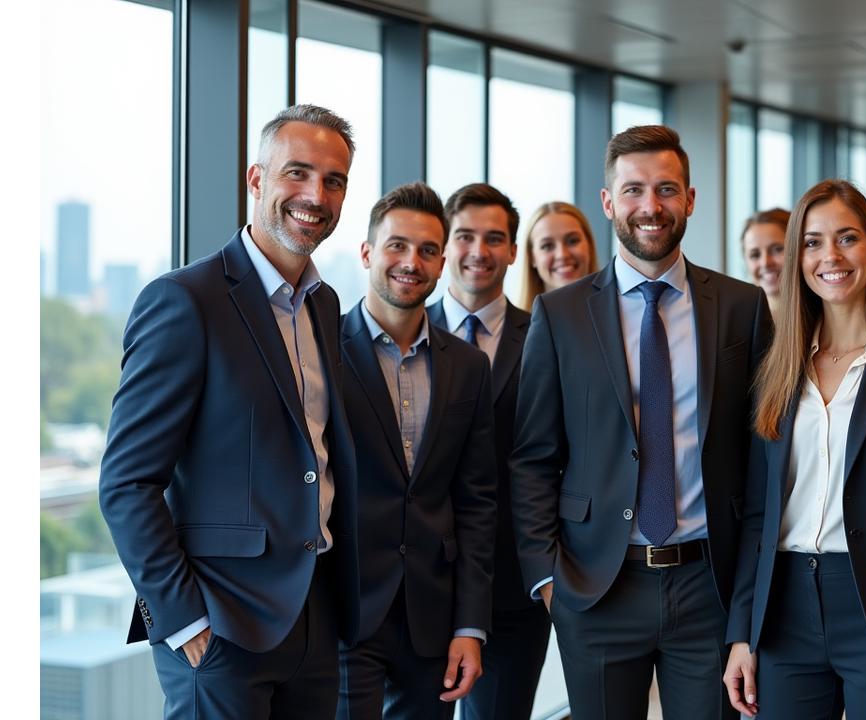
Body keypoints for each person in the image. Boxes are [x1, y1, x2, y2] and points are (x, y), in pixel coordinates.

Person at [98, 104, 361, 719]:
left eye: (334, 180)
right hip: (218, 624)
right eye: (297, 173)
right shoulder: (185, 300)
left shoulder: (324, 306)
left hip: (313, 615)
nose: (315, 195)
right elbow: (127, 481)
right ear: (256, 179)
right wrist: (182, 618)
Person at [510, 125, 772, 720]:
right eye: (632, 191)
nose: (650, 207)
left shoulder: (741, 307)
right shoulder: (560, 313)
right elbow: (532, 456)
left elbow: (761, 457)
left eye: (666, 189)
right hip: (597, 586)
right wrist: (548, 580)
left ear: (690, 199)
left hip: (710, 583)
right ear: (608, 202)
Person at [722, 180, 866, 720]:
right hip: (783, 610)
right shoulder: (775, 367)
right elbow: (758, 515)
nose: (830, 256)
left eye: (847, 238)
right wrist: (742, 632)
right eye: (812, 242)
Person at [336, 181, 498, 719]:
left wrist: (469, 626)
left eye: (429, 250)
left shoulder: (468, 366)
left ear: (443, 259)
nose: (412, 261)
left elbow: (477, 502)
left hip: (433, 618)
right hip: (342, 613)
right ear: (366, 253)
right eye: (397, 246)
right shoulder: (321, 352)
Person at [425, 182, 547, 720]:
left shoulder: (548, 336)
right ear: (446, 244)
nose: (479, 251)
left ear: (513, 251)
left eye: (495, 238)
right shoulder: (403, 331)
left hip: (514, 586)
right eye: (465, 236)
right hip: (415, 582)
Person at [517, 200, 601, 310]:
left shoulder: (620, 316)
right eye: (547, 246)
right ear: (532, 257)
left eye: (572, 241)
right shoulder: (513, 326)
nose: (562, 255)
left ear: (589, 245)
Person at [740, 208, 789, 319]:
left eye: (777, 249)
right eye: (755, 255)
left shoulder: (824, 320)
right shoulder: (737, 321)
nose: (765, 262)